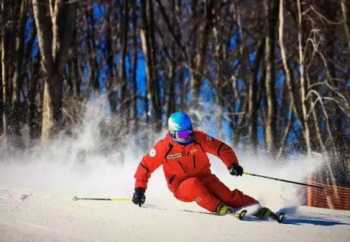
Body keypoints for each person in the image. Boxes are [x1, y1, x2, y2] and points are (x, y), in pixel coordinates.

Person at [132, 112, 269, 217]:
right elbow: (145, 166)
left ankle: (256, 207)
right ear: (173, 134)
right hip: (181, 186)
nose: (187, 137)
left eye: (189, 132)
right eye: (183, 134)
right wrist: (139, 189)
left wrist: (232, 164)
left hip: (206, 178)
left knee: (227, 195)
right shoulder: (163, 147)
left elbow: (221, 149)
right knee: (194, 185)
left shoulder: (198, 138)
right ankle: (220, 208)